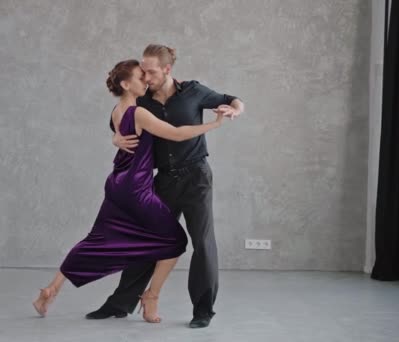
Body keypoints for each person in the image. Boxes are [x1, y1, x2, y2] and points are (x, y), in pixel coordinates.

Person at [32, 59, 226, 323]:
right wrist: (214, 125)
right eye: (139, 76)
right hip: (136, 188)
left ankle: (51, 289)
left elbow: (117, 132)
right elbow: (177, 134)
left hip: (116, 184)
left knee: (96, 238)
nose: (145, 79)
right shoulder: (139, 113)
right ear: (125, 84)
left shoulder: (117, 110)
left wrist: (114, 138)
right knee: (175, 242)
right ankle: (151, 296)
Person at [86, 44, 244, 329]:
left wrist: (235, 109)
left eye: (151, 71)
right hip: (164, 180)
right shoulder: (142, 99)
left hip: (196, 177)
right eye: (143, 71)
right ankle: (120, 304)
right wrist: (115, 140)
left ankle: (203, 310)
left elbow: (232, 99)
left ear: (167, 69)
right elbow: (120, 121)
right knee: (146, 241)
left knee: (203, 243)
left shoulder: (193, 91)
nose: (145, 76)